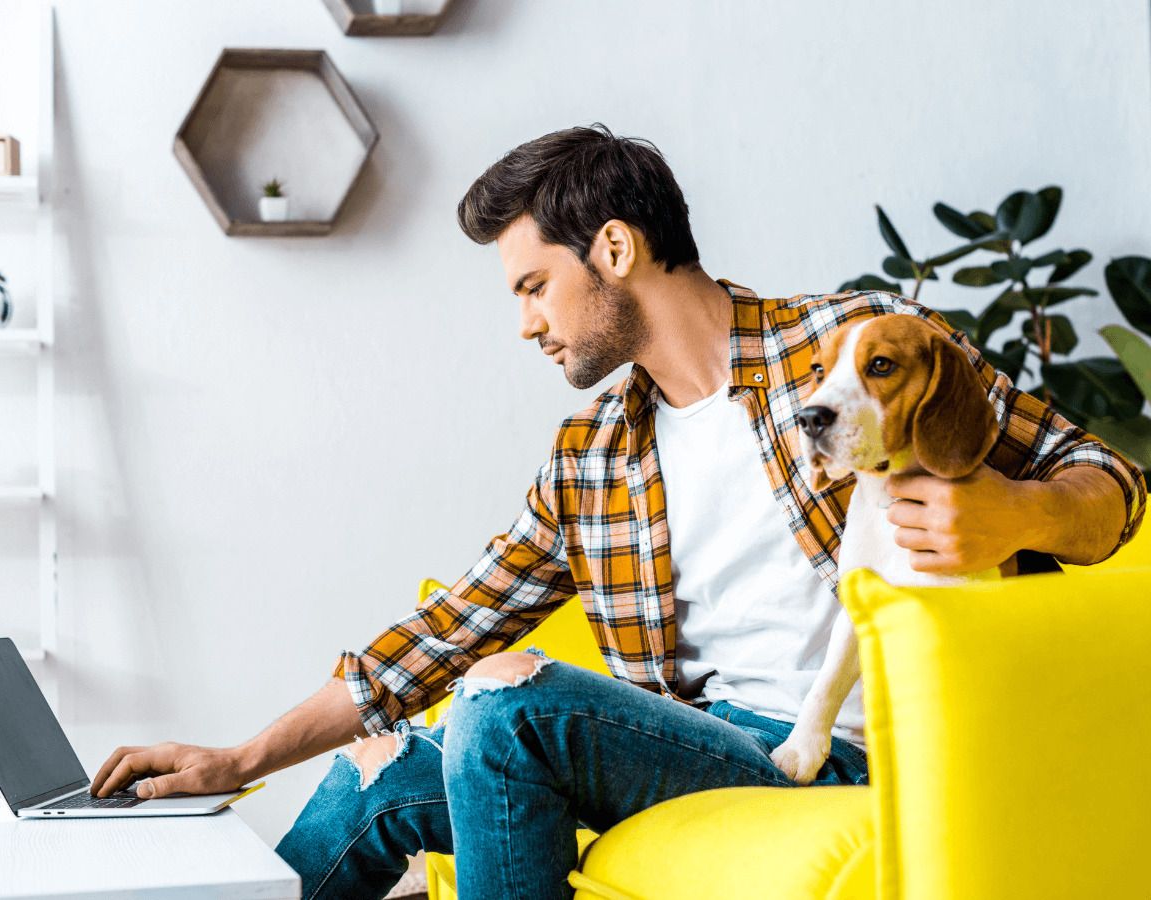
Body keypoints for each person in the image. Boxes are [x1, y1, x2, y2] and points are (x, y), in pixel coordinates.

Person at [91, 124, 1146, 900]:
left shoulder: (847, 353)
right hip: (706, 741)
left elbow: (1109, 479)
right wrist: (237, 761)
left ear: (613, 249)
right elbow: (447, 630)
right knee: (376, 777)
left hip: (847, 746)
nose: (525, 324)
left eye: (532, 287)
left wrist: (1018, 515)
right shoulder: (595, 455)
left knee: (505, 708)